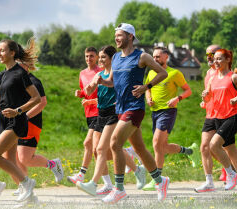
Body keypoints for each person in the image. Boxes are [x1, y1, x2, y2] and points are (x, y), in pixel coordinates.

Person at [97, 23, 169, 204]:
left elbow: (163, 73)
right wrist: (102, 81)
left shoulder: (141, 57)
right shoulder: (115, 58)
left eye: (120, 35)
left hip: (135, 108)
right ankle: (161, 181)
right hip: (120, 108)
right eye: (115, 36)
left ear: (130, 36)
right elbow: (112, 82)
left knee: (114, 143)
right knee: (140, 149)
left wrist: (147, 86)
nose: (116, 39)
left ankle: (119, 189)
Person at [75, 45, 146, 196]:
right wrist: (85, 90)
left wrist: (120, 100)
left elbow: (119, 87)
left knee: (101, 149)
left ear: (112, 59)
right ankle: (136, 169)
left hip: (114, 113)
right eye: (99, 57)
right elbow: (88, 90)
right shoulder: (99, 74)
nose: (99, 60)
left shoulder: (116, 74)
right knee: (97, 151)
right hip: (101, 114)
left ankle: (93, 184)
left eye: (103, 57)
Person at [195, 45, 237, 193]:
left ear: (227, 59)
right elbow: (210, 97)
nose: (215, 60)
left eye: (219, 58)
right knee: (231, 153)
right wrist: (205, 97)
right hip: (217, 117)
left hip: (231, 117)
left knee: (213, 145)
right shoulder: (212, 77)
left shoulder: (233, 76)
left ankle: (231, 174)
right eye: (214, 58)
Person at [11, 39, 64, 196]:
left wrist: (25, 116)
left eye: (19, 64)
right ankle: (25, 187)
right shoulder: (16, 81)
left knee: (25, 158)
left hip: (31, 123)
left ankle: (53, 164)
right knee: (18, 159)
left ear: (26, 65)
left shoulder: (34, 81)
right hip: (18, 123)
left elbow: (42, 102)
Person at [142, 46, 194, 191]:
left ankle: (157, 179)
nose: (155, 59)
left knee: (156, 143)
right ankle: (189, 151)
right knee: (162, 147)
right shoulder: (152, 72)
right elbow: (148, 88)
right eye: (154, 57)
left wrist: (178, 98)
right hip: (155, 112)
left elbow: (188, 90)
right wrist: (149, 98)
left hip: (168, 111)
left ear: (166, 57)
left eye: (158, 56)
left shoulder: (174, 73)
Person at [0, 39, 41, 201]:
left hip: (16, 121)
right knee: (9, 160)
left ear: (12, 53)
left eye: (2, 50)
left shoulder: (20, 73)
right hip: (3, 120)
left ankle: (26, 183)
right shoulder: (3, 74)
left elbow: (36, 98)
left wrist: (17, 111)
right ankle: (31, 199)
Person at [68, 47, 103, 184]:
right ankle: (129, 157)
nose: (89, 59)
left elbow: (104, 95)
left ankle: (82, 175)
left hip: (100, 112)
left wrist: (90, 101)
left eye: (92, 56)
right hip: (89, 113)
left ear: (97, 57)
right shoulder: (82, 73)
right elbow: (86, 91)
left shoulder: (100, 72)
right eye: (87, 56)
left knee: (88, 143)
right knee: (99, 149)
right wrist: (80, 93)